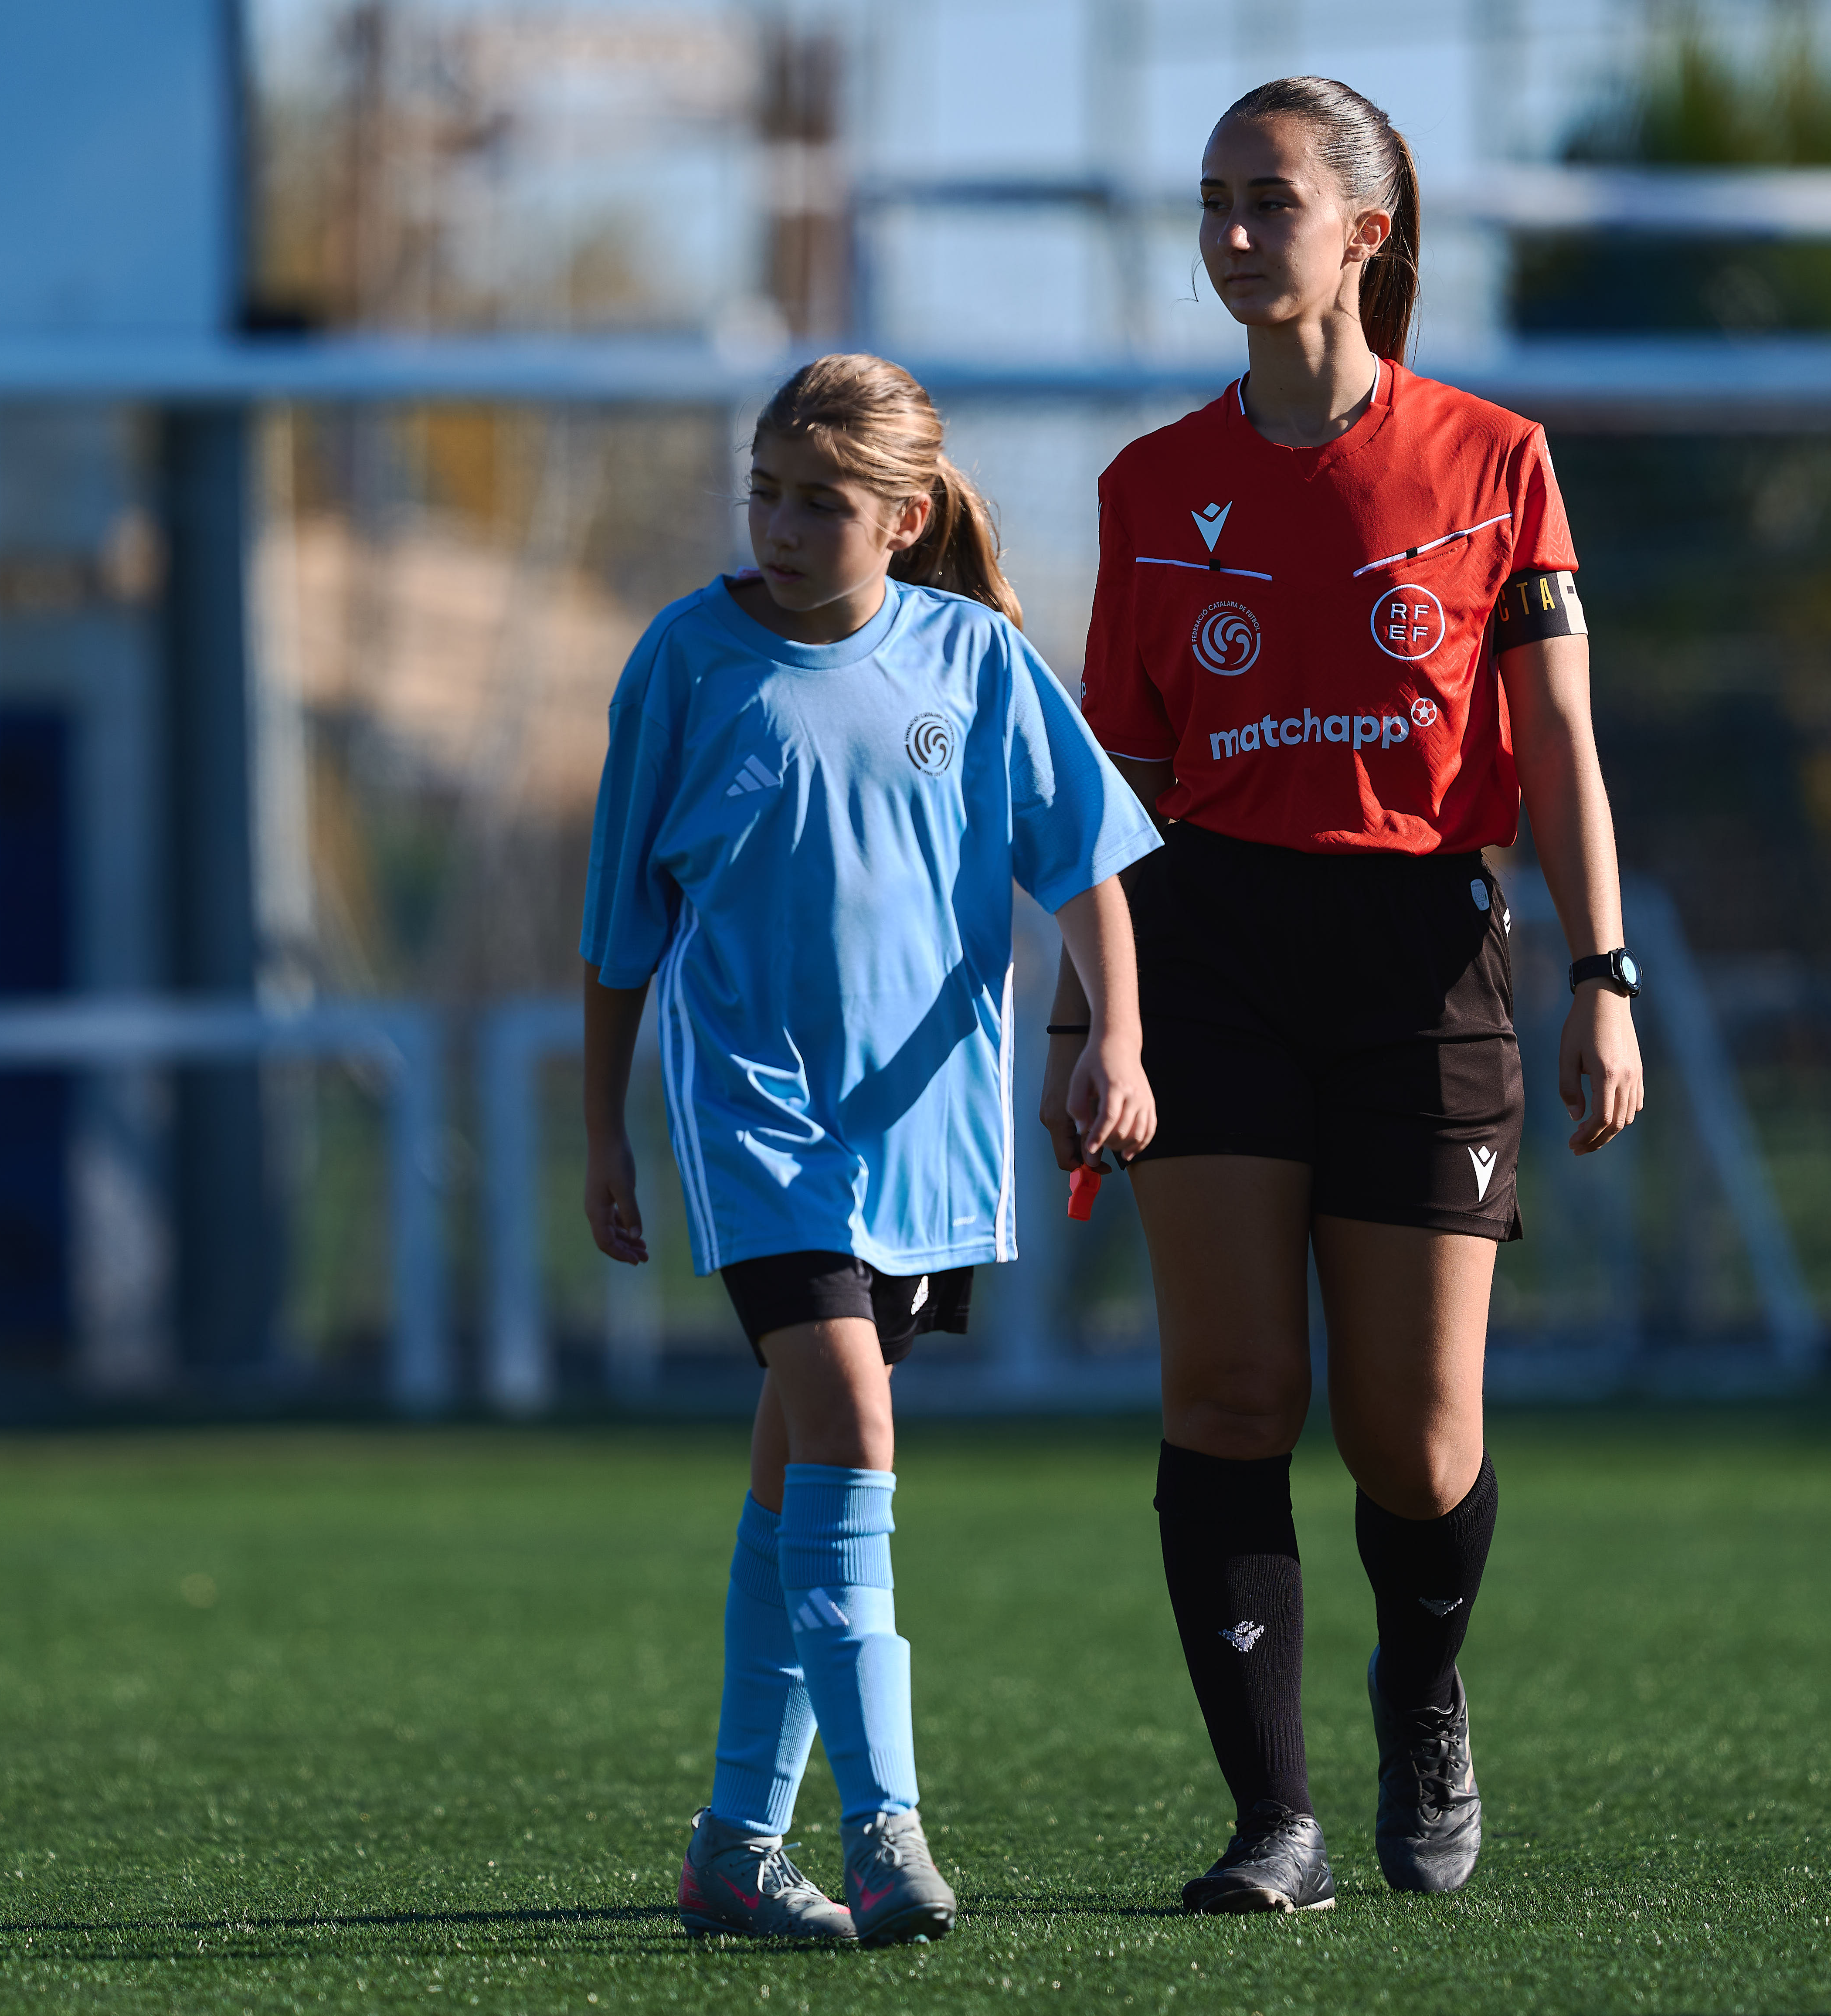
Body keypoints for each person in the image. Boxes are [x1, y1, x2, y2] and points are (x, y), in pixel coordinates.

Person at [1046, 77, 1644, 1914]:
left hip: (1420, 954)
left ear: (1364, 233)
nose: (1231, 233)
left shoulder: (1494, 458)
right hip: (1208, 946)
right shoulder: (1148, 487)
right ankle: (1271, 1819)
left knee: (1416, 1437)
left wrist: (1603, 974)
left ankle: (1424, 1690)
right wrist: (1091, 1017)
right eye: (1211, 200)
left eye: (1270, 201)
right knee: (1232, 1391)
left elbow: (1558, 742)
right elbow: (1113, 789)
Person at [582, 353, 1162, 1947]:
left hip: (918, 1137)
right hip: (755, 1114)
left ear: (902, 520)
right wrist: (602, 1132)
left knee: (799, 1475)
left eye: (819, 504)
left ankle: (731, 1845)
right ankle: (887, 1825)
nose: (778, 528)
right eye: (763, 494)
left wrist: (1114, 1038)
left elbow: (1087, 863)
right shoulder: (685, 660)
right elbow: (620, 927)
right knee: (851, 1422)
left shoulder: (974, 659)